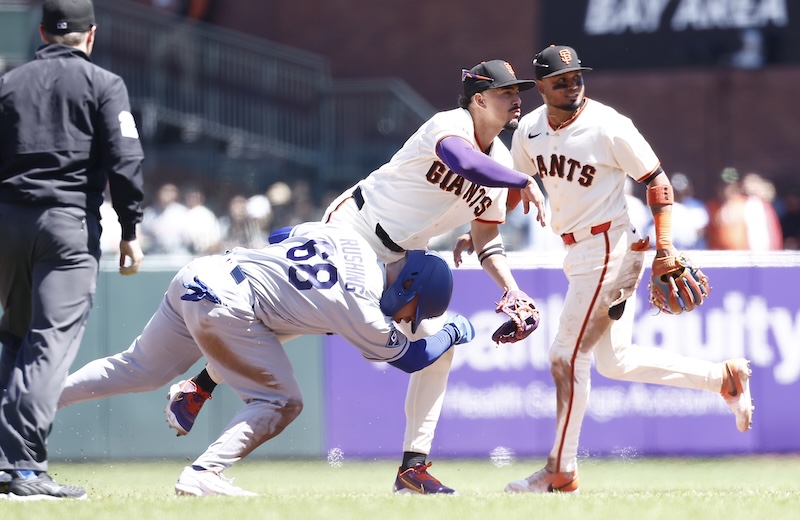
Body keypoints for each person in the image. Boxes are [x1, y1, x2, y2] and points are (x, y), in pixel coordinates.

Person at [166, 59, 548, 494]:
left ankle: (413, 468)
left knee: (438, 345)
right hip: (355, 227)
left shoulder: (501, 164)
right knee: (303, 317)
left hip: (404, 253)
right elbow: (464, 163)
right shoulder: (450, 125)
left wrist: (512, 288)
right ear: (479, 99)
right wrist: (522, 179)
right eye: (505, 91)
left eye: (518, 91)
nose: (517, 98)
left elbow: (487, 240)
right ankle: (200, 385)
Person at [456, 45, 753, 494]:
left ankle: (561, 469)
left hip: (615, 246)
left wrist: (666, 249)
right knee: (615, 361)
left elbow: (658, 182)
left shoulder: (609, 124)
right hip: (578, 252)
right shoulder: (529, 132)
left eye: (576, 76)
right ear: (541, 87)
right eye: (561, 79)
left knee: (565, 357)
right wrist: (478, 226)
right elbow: (516, 186)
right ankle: (723, 379)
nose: (572, 84)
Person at [57, 222, 475, 496]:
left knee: (137, 369)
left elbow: (280, 234)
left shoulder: (349, 239)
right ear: (410, 285)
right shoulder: (362, 306)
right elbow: (412, 360)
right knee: (282, 402)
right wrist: (454, 331)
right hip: (231, 303)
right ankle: (203, 473)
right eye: (414, 310)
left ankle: (35, 400)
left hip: (202, 273)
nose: (407, 319)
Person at [0, 0, 145, 501]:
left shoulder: (8, 83)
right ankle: (24, 468)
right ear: (92, 35)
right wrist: (130, 228)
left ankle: (4, 464)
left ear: (41, 33)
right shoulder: (104, 84)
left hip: (6, 222)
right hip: (65, 227)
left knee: (15, 340)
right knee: (47, 344)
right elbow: (126, 160)